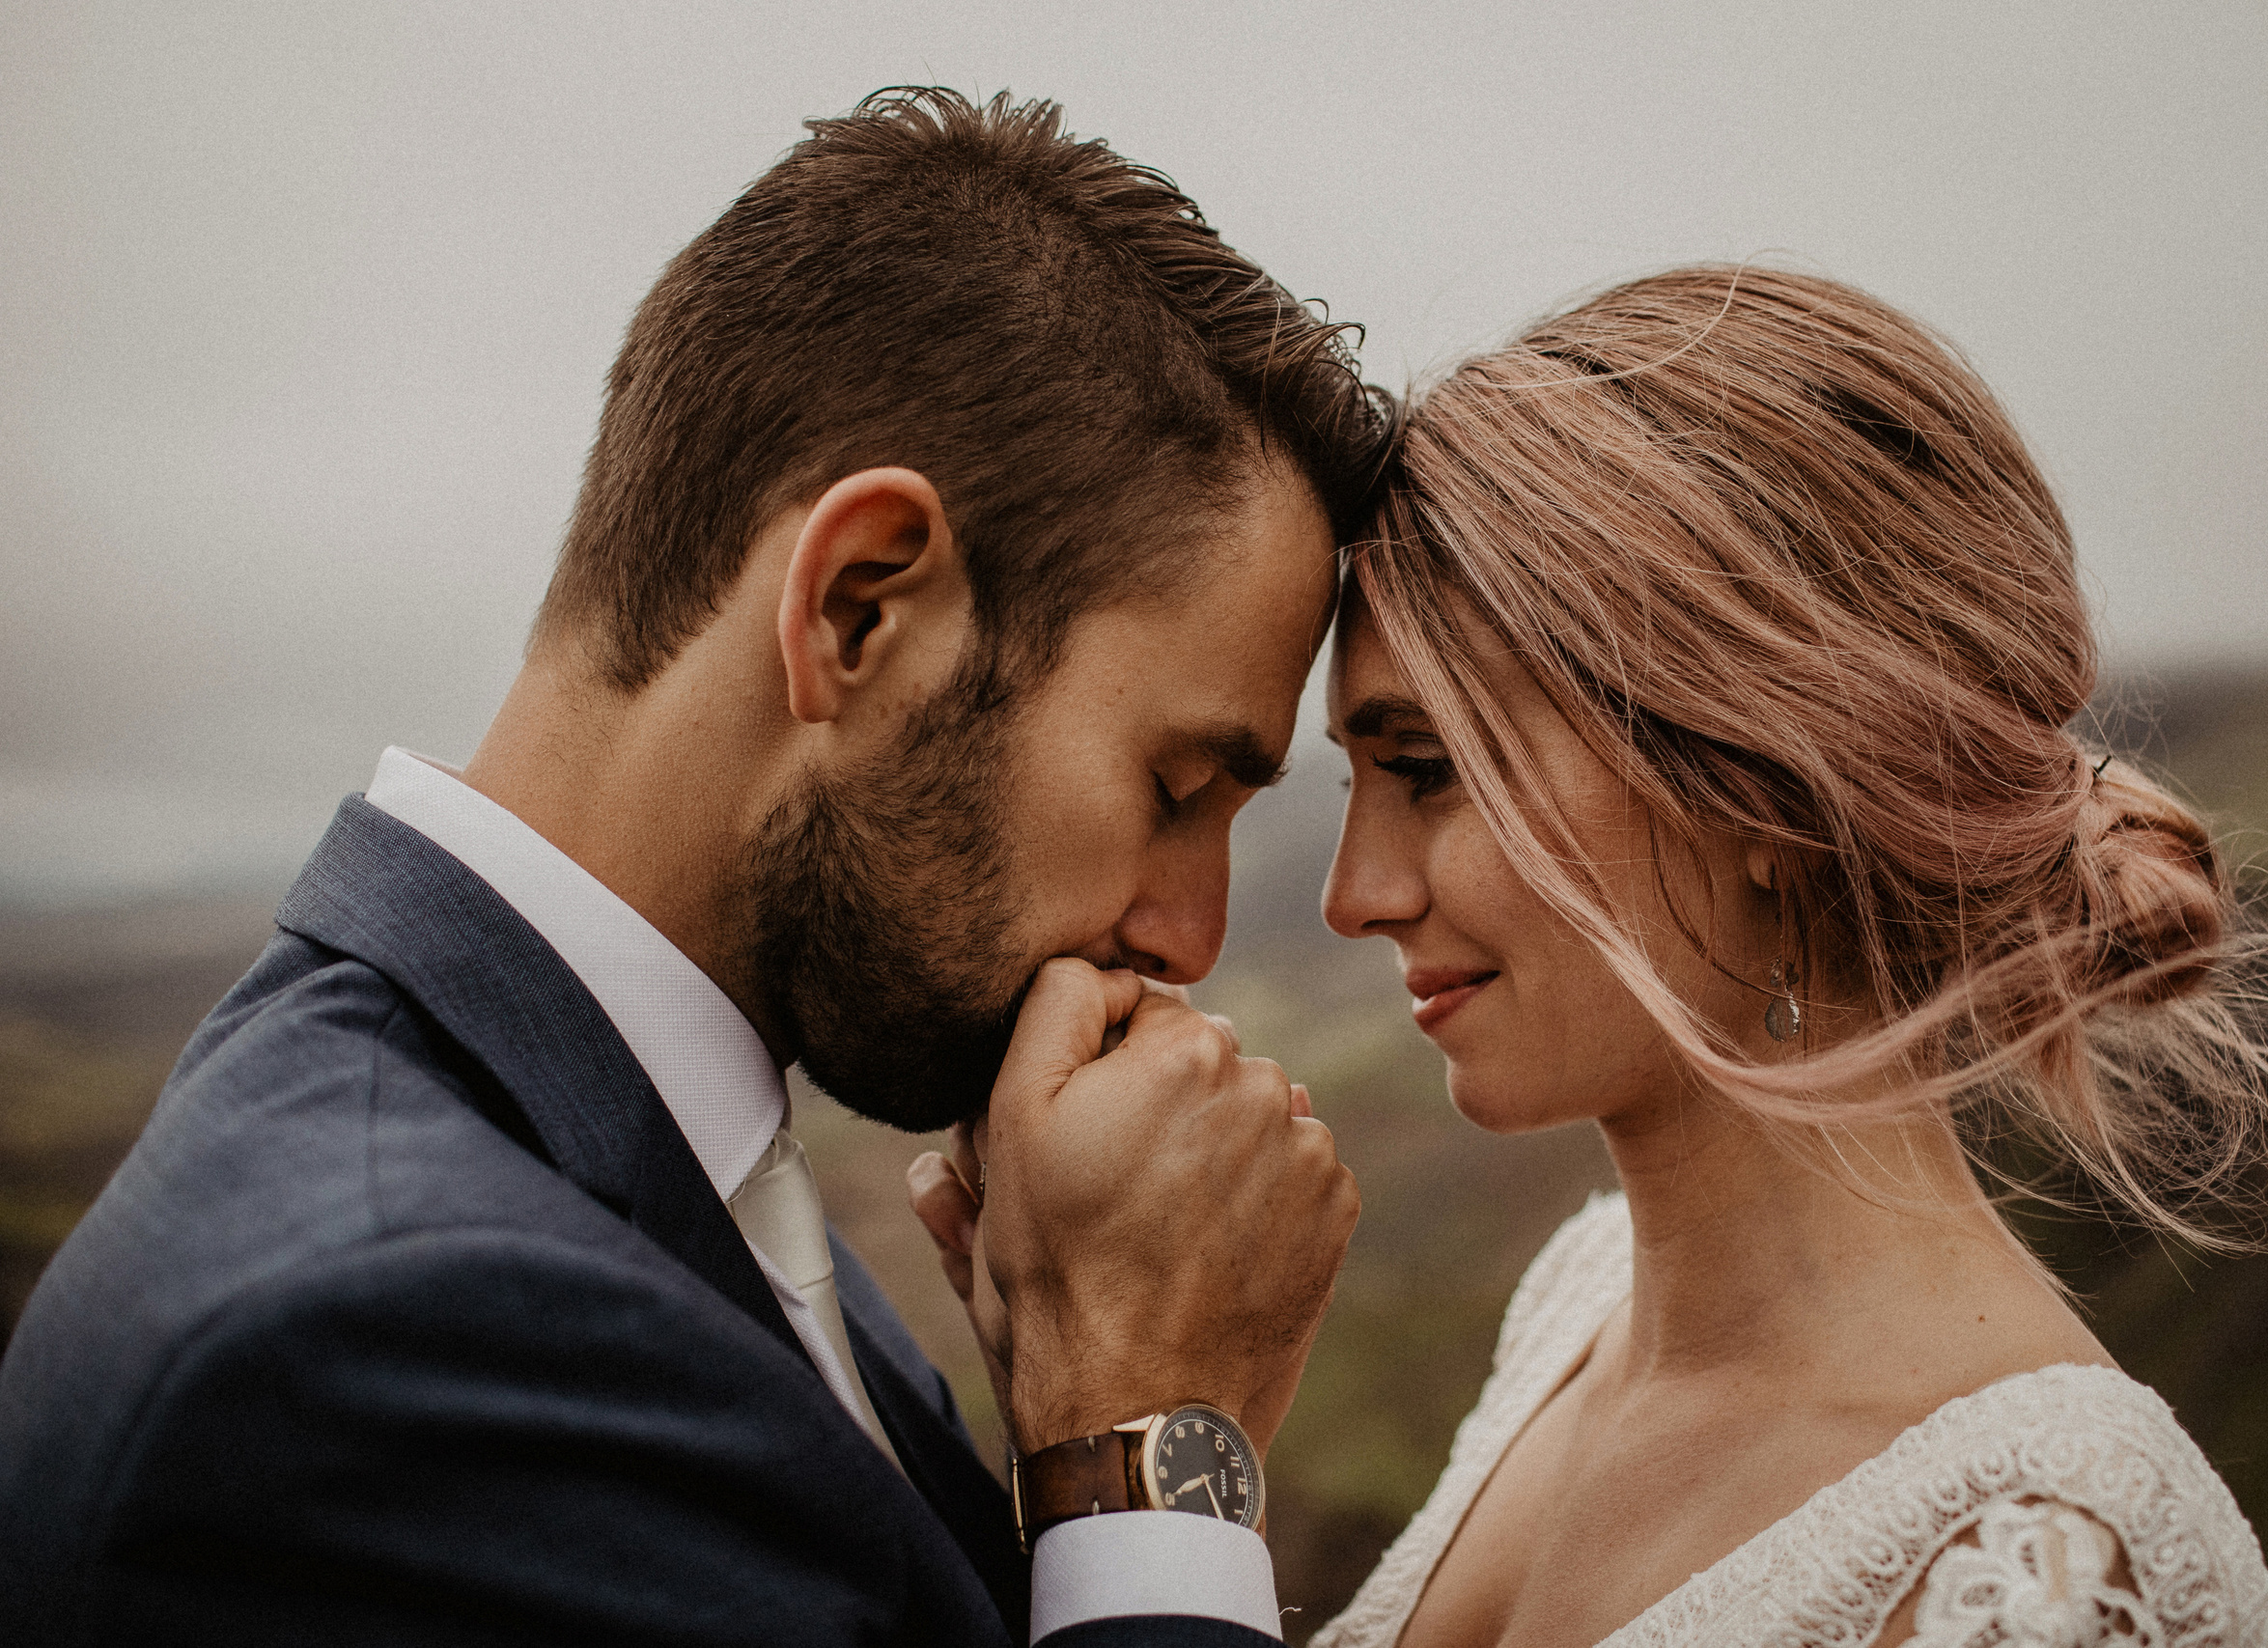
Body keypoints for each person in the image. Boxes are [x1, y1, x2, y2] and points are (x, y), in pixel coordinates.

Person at [0, 88, 1382, 1647]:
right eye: (1178, 785)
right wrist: (1151, 1468)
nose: (1186, 933)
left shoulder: (648, 1174)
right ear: (860, 609)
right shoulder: (393, 1351)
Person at [1305, 268, 2268, 1648]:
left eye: (1427, 770)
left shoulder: (2046, 1562)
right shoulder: (1578, 1306)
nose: (1355, 895)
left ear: (1760, 783)